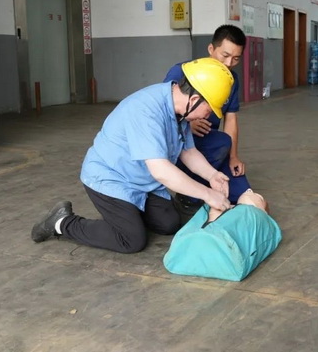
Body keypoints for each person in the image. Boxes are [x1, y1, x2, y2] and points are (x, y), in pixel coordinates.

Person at [30, 58, 235, 254]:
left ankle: (129, 213)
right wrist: (208, 194)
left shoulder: (179, 112)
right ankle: (62, 222)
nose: (208, 116)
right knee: (131, 240)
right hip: (111, 177)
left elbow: (188, 151)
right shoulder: (146, 111)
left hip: (142, 180)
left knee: (169, 223)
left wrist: (212, 175)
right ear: (195, 99)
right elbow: (161, 171)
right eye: (209, 110)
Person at [164, 25, 251, 214]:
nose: (229, 63)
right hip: (182, 146)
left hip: (211, 146)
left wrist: (233, 157)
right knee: (220, 141)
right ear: (211, 49)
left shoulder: (231, 80)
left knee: (245, 196)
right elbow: (164, 112)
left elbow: (231, 119)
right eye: (225, 55)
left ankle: (209, 182)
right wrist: (187, 121)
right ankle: (189, 195)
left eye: (236, 58)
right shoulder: (182, 72)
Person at [163, 189, 281, 282]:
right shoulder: (256, 219)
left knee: (217, 211)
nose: (249, 190)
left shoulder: (253, 215)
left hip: (189, 246)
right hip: (226, 248)